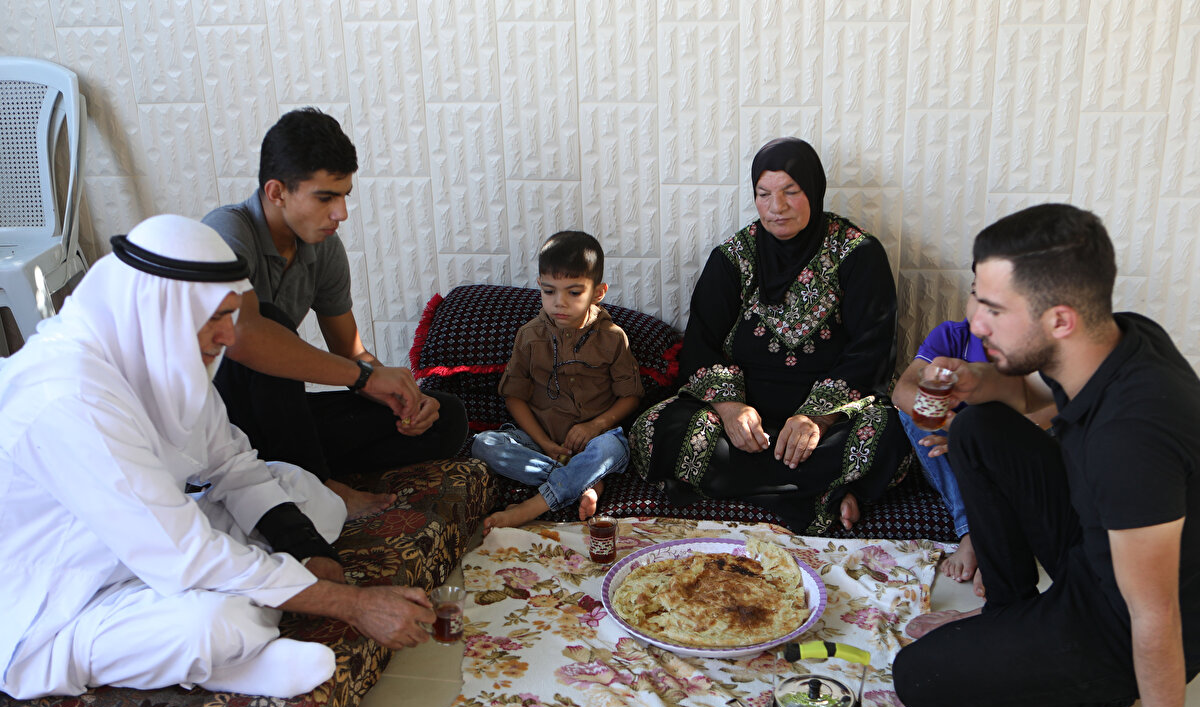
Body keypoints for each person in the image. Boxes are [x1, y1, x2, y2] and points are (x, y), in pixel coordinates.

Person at [0, 215, 436, 700]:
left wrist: (308, 550)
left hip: (156, 540)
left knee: (307, 496)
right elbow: (183, 553)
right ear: (157, 310)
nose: (229, 336)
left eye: (230, 315)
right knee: (214, 625)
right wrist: (351, 604)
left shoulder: (161, 352)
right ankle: (229, 657)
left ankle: (248, 618)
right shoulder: (68, 397)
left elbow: (232, 465)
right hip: (65, 592)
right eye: (213, 318)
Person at [892, 204, 1199, 707]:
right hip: (1093, 545)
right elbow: (1031, 394)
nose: (975, 323)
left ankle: (1090, 676)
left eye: (994, 309)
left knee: (920, 677)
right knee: (977, 426)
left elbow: (1156, 613)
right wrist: (980, 383)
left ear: (1058, 319)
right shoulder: (1114, 337)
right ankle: (1007, 609)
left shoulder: (1132, 441)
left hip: (1123, 622)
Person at [629, 137, 909, 535]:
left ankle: (740, 487)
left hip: (826, 423)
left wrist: (817, 418)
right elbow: (700, 342)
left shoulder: (857, 254)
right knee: (656, 429)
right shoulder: (734, 257)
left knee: (890, 432)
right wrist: (729, 408)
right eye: (764, 194)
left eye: (790, 192)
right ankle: (820, 493)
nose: (777, 207)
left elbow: (873, 351)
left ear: (813, 190)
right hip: (746, 424)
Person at [203, 108, 467, 520]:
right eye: (325, 198)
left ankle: (290, 468)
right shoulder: (226, 232)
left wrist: (404, 398)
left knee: (446, 416)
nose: (340, 213)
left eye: (344, 196)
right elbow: (244, 339)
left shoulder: (322, 246)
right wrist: (364, 377)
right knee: (272, 325)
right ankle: (317, 485)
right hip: (214, 424)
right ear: (277, 192)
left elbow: (350, 352)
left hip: (276, 423)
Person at [471, 231, 643, 531]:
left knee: (612, 449)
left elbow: (631, 396)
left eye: (573, 293)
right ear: (539, 285)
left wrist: (595, 426)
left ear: (598, 292)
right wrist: (544, 443)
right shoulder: (529, 336)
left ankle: (531, 507)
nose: (559, 303)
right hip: (539, 443)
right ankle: (586, 482)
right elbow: (514, 396)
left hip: (593, 444)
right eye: (549, 291)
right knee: (484, 444)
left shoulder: (613, 338)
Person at [892, 282, 1055, 585]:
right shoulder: (952, 336)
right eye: (976, 294)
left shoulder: (1036, 347)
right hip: (948, 452)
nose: (981, 310)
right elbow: (903, 392)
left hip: (1005, 450)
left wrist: (975, 438)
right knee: (911, 414)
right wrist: (957, 431)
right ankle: (973, 530)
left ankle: (994, 539)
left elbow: (1050, 410)